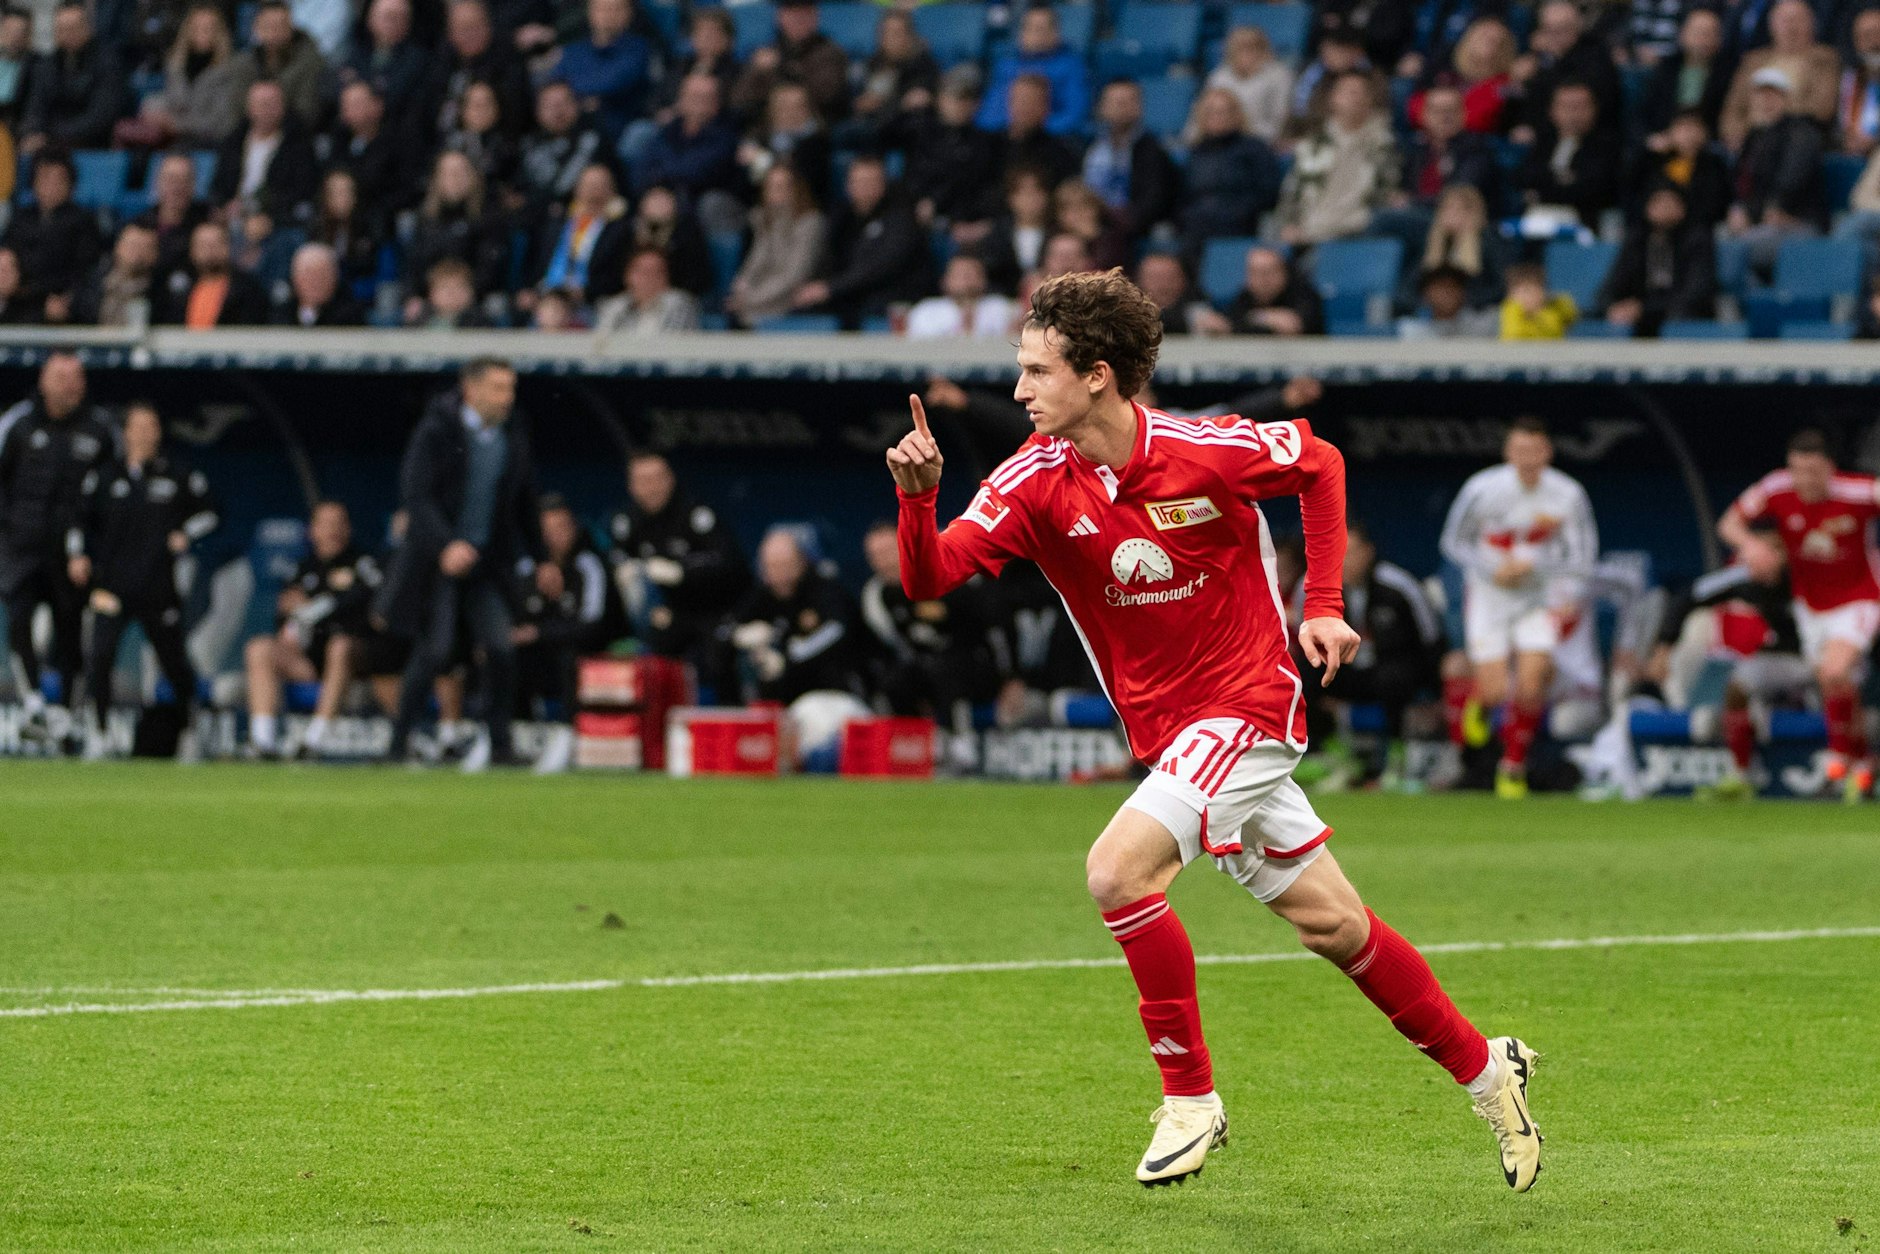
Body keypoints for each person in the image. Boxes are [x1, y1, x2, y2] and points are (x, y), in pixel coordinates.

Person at [885, 267, 1543, 1190]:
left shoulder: (1207, 447)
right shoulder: (1031, 483)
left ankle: (1191, 1099)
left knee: (1117, 871)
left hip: (1252, 703)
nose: (1021, 390)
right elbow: (928, 578)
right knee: (1334, 927)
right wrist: (919, 499)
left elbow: (1319, 462)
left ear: (1100, 376)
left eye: (1037, 371)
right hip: (1173, 733)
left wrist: (1321, 604)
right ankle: (1489, 1070)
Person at [377, 358, 556, 769]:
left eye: (510, 388)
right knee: (435, 651)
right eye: (498, 388)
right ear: (470, 390)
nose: (507, 398)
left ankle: (501, 747)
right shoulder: (436, 430)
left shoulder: (513, 433)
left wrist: (542, 558)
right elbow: (416, 497)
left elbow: (525, 501)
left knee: (501, 648)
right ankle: (397, 744)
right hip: (438, 562)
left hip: (487, 562)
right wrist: (446, 545)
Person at [1439, 416, 1598, 799]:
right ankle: (1481, 701)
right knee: (1496, 691)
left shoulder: (1567, 494)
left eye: (1535, 450)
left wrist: (1566, 594)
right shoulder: (1482, 488)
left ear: (1548, 452)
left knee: (1532, 680)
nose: (1528, 459)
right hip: (1490, 594)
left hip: (1538, 595)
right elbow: (1453, 542)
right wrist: (1495, 569)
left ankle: (1512, 766)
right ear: (1508, 451)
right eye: (1520, 450)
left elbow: (1583, 553)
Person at [1718, 429, 1880, 801]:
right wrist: (1753, 545)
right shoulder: (1777, 488)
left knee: (1834, 672)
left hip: (1859, 599)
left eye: (1813, 471)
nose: (1804, 480)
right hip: (1811, 606)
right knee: (1837, 686)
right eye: (1797, 470)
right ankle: (1862, 765)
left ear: (1830, 469)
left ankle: (1837, 766)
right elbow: (1729, 523)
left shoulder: (1857, 491)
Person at [67, 402, 217, 758]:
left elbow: (212, 513)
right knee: (99, 658)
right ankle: (98, 734)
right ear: (127, 432)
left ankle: (190, 731)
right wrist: (77, 555)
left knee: (175, 664)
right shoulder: (104, 476)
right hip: (111, 590)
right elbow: (79, 521)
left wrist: (186, 533)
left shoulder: (175, 475)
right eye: (139, 426)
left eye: (153, 426)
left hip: (157, 588)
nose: (146, 433)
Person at [0, 352, 116, 736]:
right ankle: (33, 702)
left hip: (70, 553)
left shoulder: (99, 429)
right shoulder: (17, 423)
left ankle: (66, 713)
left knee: (69, 630)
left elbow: (108, 496)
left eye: (77, 377)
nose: (71, 384)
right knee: (19, 619)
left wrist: (88, 549)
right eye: (62, 376)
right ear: (44, 380)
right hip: (21, 545)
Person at [1299, 518, 1442, 785]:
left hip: (1389, 671)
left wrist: (1432, 688)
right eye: (1338, 552)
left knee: (1396, 678)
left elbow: (1430, 638)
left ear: (1368, 552)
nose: (1346, 560)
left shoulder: (1399, 586)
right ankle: (1332, 757)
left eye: (1352, 552)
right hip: (1342, 672)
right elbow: (1302, 636)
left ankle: (1398, 761)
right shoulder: (1311, 587)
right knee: (1302, 675)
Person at [244, 499, 383, 759]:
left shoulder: (363, 563)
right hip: (308, 661)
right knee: (259, 647)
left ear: (348, 529)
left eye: (338, 523)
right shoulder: (302, 568)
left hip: (354, 664)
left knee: (340, 646)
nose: (332, 531)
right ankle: (263, 742)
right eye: (325, 524)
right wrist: (292, 617)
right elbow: (286, 617)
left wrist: (316, 605)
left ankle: (314, 742)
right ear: (312, 530)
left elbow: (364, 603)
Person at [606, 450, 747, 678]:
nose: (651, 488)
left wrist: (681, 572)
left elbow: (729, 562)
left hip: (713, 608)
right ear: (631, 486)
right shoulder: (626, 521)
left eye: (657, 479)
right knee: (649, 651)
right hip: (667, 613)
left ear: (670, 479)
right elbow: (618, 560)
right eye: (643, 481)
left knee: (718, 653)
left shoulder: (695, 514)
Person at [514, 494, 629, 774]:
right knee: (505, 653)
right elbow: (516, 621)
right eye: (546, 531)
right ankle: (521, 735)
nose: (555, 538)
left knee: (571, 657)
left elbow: (593, 627)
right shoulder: (526, 567)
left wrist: (540, 632)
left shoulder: (590, 565)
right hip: (541, 658)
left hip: (589, 655)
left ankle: (568, 735)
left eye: (562, 528)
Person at [858, 520, 996, 722]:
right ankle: (911, 743)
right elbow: (892, 646)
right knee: (895, 682)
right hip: (924, 665)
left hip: (972, 661)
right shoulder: (875, 596)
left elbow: (985, 625)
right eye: (874, 556)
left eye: (888, 552)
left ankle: (958, 742)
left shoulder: (948, 569)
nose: (883, 562)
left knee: (946, 672)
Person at [726, 528, 866, 704]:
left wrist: (788, 658)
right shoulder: (762, 594)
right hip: (783, 699)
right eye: (772, 566)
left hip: (832, 693)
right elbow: (728, 628)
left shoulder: (823, 588)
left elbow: (837, 630)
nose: (780, 574)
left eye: (786, 564)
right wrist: (739, 635)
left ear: (802, 561)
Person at [793, 155, 927, 328]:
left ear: (883, 185)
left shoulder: (901, 219)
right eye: (859, 182)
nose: (865, 188)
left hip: (889, 294)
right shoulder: (841, 218)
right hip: (849, 294)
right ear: (848, 185)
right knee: (805, 308)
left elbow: (880, 267)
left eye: (871, 181)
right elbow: (828, 260)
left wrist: (830, 288)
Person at [1276, 70, 1400, 246]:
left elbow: (1387, 191)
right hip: (1310, 232)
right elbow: (1292, 192)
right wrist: (1288, 225)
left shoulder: (1385, 144)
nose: (1355, 97)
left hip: (1358, 232)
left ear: (1370, 100)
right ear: (1333, 98)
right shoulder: (1313, 145)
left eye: (1361, 92)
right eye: (1348, 91)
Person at [1724, 67, 1827, 272]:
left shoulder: (1802, 134)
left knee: (1735, 251)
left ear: (1786, 99)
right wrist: (1739, 208)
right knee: (1712, 243)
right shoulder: (1754, 136)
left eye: (1773, 95)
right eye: (1761, 95)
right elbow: (1740, 184)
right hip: (1760, 221)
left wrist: (1767, 209)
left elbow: (1791, 180)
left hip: (1799, 223)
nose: (1766, 101)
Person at [1177, 88, 1281, 260]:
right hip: (1197, 228)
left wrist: (1238, 211)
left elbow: (1269, 192)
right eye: (1211, 111)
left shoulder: (1255, 148)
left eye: (1224, 111)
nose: (1218, 117)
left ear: (1237, 114)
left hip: (1240, 225)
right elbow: (1183, 196)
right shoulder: (1196, 152)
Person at [1719, 0, 1839, 149]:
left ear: (1811, 23)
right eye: (1784, 20)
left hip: (1795, 139)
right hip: (1752, 137)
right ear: (1772, 25)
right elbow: (1733, 108)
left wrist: (1775, 114)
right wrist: (1736, 133)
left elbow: (1822, 109)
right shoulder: (1753, 60)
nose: (1791, 26)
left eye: (1797, 20)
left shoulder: (1825, 59)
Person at [1599, 186, 1716, 336]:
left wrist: (1644, 309)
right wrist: (1612, 308)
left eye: (1670, 201)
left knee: (1681, 316)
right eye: (1658, 201)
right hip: (1639, 318)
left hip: (1680, 316)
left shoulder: (1697, 240)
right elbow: (1609, 287)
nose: (1664, 207)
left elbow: (1696, 292)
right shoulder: (1636, 241)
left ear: (1682, 207)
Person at [2, 153, 104, 318]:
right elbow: (8, 252)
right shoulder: (21, 217)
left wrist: (67, 299)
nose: (51, 185)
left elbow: (86, 269)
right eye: (45, 178)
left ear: (71, 184)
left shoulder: (83, 221)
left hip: (58, 301)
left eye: (58, 179)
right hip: (18, 297)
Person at [725, 163, 825, 327]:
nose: (775, 192)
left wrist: (751, 299)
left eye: (782, 186)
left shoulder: (810, 223)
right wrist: (742, 285)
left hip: (792, 297)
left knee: (749, 316)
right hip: (761, 294)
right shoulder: (763, 220)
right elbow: (757, 261)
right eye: (771, 186)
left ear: (795, 189)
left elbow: (794, 275)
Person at [209, 79, 319, 224]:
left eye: (272, 104)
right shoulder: (233, 141)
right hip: (232, 216)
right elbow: (218, 184)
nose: (267, 110)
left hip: (274, 220)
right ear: (249, 107)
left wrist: (264, 212)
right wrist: (223, 206)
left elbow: (301, 190)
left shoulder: (298, 144)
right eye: (262, 104)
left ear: (283, 107)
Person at [21, 2, 126, 153]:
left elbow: (101, 117)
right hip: (49, 147)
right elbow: (35, 108)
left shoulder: (108, 62)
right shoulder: (46, 65)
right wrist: (32, 132)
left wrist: (52, 137)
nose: (68, 34)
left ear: (88, 28)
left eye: (73, 28)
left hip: (92, 145)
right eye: (62, 29)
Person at [1082, 79, 1178, 243]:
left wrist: (1118, 221)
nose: (1121, 106)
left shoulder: (1154, 151)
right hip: (1088, 221)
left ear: (1140, 107)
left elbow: (1155, 200)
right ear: (1101, 107)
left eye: (1128, 101)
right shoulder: (1088, 146)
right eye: (1116, 101)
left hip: (1131, 227)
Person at [729, 0, 850, 124]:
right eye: (792, 14)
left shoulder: (830, 53)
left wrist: (782, 69)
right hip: (766, 128)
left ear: (815, 17)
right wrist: (758, 72)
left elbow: (825, 96)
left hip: (816, 129)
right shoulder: (766, 52)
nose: (798, 20)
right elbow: (738, 101)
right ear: (780, 17)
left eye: (804, 14)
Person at [977, 5, 1089, 136]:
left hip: (1049, 139)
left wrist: (1034, 128)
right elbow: (987, 115)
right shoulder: (1006, 66)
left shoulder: (1072, 66)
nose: (1035, 34)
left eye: (1041, 29)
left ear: (1056, 33)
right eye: (1029, 28)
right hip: (1007, 138)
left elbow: (1074, 116)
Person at [550, 0, 651, 145]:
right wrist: (582, 99)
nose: (609, 15)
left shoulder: (638, 49)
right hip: (575, 131)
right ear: (590, 12)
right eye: (602, 9)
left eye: (616, 9)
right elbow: (556, 86)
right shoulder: (572, 51)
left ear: (629, 13)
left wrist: (574, 95)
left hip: (619, 130)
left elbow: (614, 82)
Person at [1521, 80, 1619, 228]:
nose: (1573, 114)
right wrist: (1564, 180)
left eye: (1580, 107)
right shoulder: (1543, 143)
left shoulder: (1604, 146)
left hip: (1584, 223)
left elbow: (1592, 190)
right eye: (1566, 107)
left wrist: (1544, 190)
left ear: (1594, 109)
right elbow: (1525, 178)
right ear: (1552, 110)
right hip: (1536, 218)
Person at [146, 4, 243, 149]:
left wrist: (176, 124)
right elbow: (171, 103)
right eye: (197, 27)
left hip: (211, 142)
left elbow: (222, 122)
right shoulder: (175, 67)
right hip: (175, 141)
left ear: (220, 32)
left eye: (209, 28)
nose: (203, 32)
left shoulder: (231, 69)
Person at [226, 0, 328, 130]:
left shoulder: (311, 62)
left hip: (294, 137)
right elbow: (235, 108)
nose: (274, 33)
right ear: (256, 28)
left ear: (291, 28)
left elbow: (307, 111)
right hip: (249, 136)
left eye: (280, 26)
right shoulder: (243, 64)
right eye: (268, 26)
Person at [1641, 7, 1733, 137]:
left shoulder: (1728, 73)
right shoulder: (1667, 67)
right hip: (1665, 138)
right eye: (1698, 32)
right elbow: (1646, 112)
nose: (1703, 40)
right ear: (1682, 34)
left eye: (1709, 33)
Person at [161, 220, 272, 328]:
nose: (210, 250)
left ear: (228, 248)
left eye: (216, 244)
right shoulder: (177, 289)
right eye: (203, 245)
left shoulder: (247, 289)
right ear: (192, 251)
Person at [1198, 26, 1293, 145]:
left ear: (1263, 50)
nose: (1245, 54)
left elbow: (1280, 121)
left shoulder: (1279, 76)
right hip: (1219, 140)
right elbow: (1201, 115)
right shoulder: (1219, 76)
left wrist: (1242, 130)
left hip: (1261, 141)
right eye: (1240, 48)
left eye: (1251, 48)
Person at [906, 253, 1017, 339]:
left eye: (971, 273)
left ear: (984, 280)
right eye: (959, 274)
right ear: (945, 281)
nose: (966, 279)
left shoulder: (1002, 308)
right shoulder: (926, 310)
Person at [592, 248, 700, 333]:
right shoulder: (613, 307)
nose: (649, 278)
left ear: (667, 278)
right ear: (628, 276)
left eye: (656, 272)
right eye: (643, 271)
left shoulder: (681, 305)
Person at [1226, 247, 1326, 337]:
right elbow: (1231, 324)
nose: (1262, 280)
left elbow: (1293, 325)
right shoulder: (1244, 297)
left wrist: (1256, 317)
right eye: (1254, 273)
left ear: (1283, 273)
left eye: (1267, 272)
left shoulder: (1303, 294)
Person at [1136, 251, 1230, 336]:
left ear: (1183, 280)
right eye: (1155, 278)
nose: (1163, 285)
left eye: (1170, 278)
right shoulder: (1129, 309)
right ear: (1140, 281)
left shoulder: (1198, 307)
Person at [273, 242, 366, 326]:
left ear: (334, 278)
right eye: (308, 274)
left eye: (322, 274)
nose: (315, 282)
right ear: (294, 278)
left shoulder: (351, 315)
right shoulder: (279, 314)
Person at [1398, 263, 1499, 338]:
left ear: (1463, 293)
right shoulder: (1410, 330)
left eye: (1453, 287)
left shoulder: (1484, 325)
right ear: (1425, 294)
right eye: (1440, 287)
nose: (1447, 293)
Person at [1498, 263, 1577, 339]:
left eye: (1531, 290)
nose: (1527, 297)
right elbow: (1514, 336)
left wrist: (1551, 300)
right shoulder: (1509, 312)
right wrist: (1515, 308)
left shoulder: (1553, 313)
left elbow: (1571, 314)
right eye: (1523, 292)